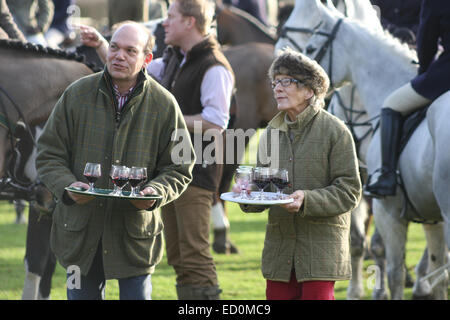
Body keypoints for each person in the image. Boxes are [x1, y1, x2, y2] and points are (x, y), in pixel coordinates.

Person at [79, 0, 235, 297]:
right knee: (178, 256)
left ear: (190, 22)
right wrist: (102, 44)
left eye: (171, 17)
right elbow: (132, 67)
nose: (165, 22)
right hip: (169, 173)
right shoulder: (177, 57)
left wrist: (168, 119)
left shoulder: (214, 65)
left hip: (197, 174)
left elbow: (216, 122)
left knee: (194, 257)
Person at [36, 22, 195, 300]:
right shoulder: (76, 94)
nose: (119, 56)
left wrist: (156, 193)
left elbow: (179, 168)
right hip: (78, 236)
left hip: (135, 239)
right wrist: (68, 188)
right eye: (114, 47)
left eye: (130, 51)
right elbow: (49, 154)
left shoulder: (165, 105)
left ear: (146, 59)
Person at [235, 48, 361, 300]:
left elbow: (349, 191)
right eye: (275, 82)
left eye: (286, 81)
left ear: (310, 90)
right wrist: (247, 194)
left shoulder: (336, 131)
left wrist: (307, 199)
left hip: (321, 252)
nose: (277, 88)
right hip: (280, 252)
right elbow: (265, 188)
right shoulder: (270, 133)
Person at [365, 0, 450, 198]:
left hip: (445, 75)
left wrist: (423, 72)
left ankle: (386, 177)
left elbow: (427, 40)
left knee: (391, 105)